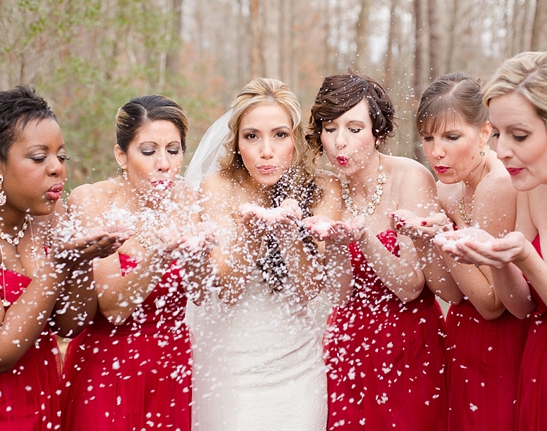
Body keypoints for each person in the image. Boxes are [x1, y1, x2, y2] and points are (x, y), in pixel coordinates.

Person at [186, 77, 352, 431]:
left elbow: (311, 290)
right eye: (252, 136)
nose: (266, 151)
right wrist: (252, 233)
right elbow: (227, 291)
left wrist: (286, 232)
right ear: (236, 143)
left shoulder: (324, 188)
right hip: (232, 369)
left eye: (279, 135)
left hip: (297, 369)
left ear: (295, 138)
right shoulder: (217, 188)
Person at [434, 51, 547, 431]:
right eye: (498, 133)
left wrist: (527, 260)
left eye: (520, 135)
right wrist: (493, 258)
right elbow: (521, 307)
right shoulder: (533, 189)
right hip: (535, 380)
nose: (501, 151)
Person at [0, 86, 128, 430]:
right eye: (38, 157)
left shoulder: (49, 212)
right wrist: (58, 264)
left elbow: (70, 324)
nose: (57, 169)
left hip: (45, 400)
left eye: (62, 156)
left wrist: (80, 262)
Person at [61, 95, 215, 430]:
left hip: (173, 367)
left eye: (173, 150)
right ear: (122, 155)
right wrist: (159, 256)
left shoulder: (190, 199)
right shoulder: (93, 199)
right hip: (109, 367)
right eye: (149, 151)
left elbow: (202, 294)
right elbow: (114, 307)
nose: (164, 163)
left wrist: (200, 256)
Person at [305, 71, 448, 430]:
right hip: (347, 345)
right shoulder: (329, 190)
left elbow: (412, 286)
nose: (340, 142)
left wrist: (365, 239)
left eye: (354, 129)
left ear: (378, 132)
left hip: (408, 344)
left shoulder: (409, 178)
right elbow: (338, 293)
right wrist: (338, 246)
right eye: (330, 128)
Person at [397, 72, 530, 430]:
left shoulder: (498, 184)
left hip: (501, 340)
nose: (436, 151)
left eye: (452, 137)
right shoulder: (446, 190)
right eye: (428, 137)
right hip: (459, 333)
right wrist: (422, 239)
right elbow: (452, 293)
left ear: (485, 132)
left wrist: (443, 239)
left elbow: (491, 303)